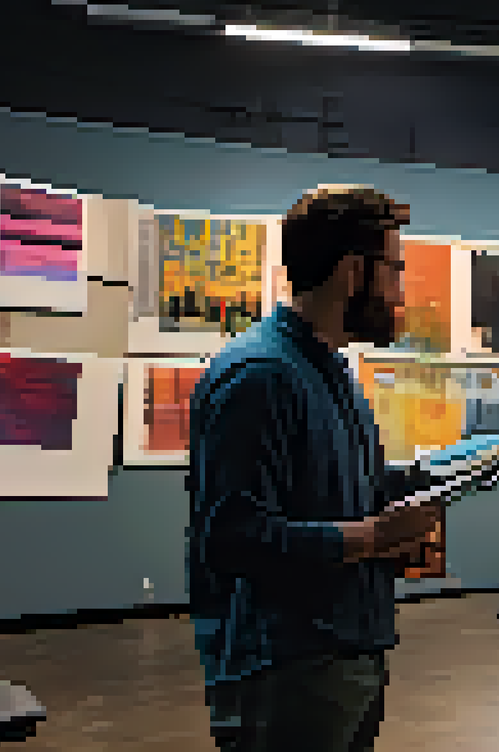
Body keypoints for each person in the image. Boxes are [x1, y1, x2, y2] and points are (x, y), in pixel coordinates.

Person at [186, 185, 444, 752]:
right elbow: (233, 538)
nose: (401, 292)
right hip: (285, 674)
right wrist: (374, 536)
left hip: (345, 655)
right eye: (395, 271)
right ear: (354, 272)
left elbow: (344, 493)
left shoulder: (330, 371)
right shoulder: (259, 376)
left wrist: (405, 517)